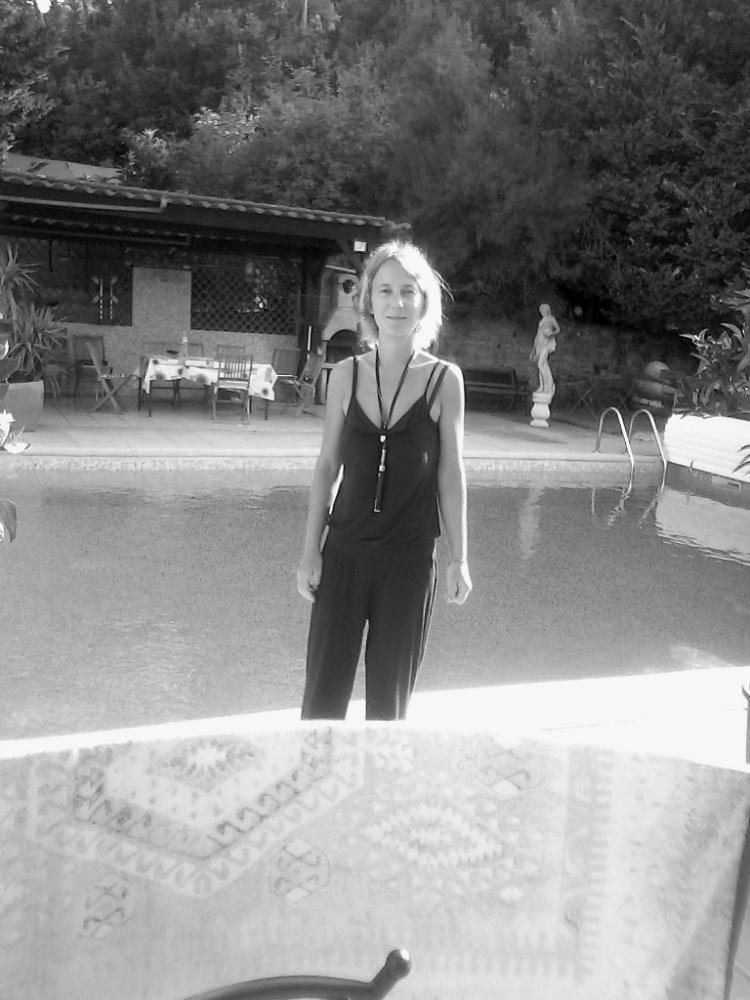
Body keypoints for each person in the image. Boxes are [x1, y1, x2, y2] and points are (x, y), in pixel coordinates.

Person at [296, 240, 472, 721]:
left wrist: (459, 558)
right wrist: (310, 551)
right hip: (344, 556)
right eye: (386, 290)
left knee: (388, 711)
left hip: (408, 564)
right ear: (369, 300)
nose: (397, 303)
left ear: (424, 302)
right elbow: (327, 465)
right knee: (321, 704)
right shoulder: (345, 375)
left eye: (408, 291)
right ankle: (317, 768)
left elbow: (451, 472)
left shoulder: (444, 380)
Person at [529, 303, 560, 396]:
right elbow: (537, 335)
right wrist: (533, 350)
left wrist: (551, 334)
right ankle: (542, 386)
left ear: (546, 310)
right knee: (541, 366)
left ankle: (549, 386)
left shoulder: (551, 319)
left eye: (542, 310)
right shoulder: (542, 321)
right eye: (541, 311)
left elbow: (558, 329)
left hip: (546, 344)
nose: (541, 312)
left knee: (541, 364)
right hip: (540, 344)